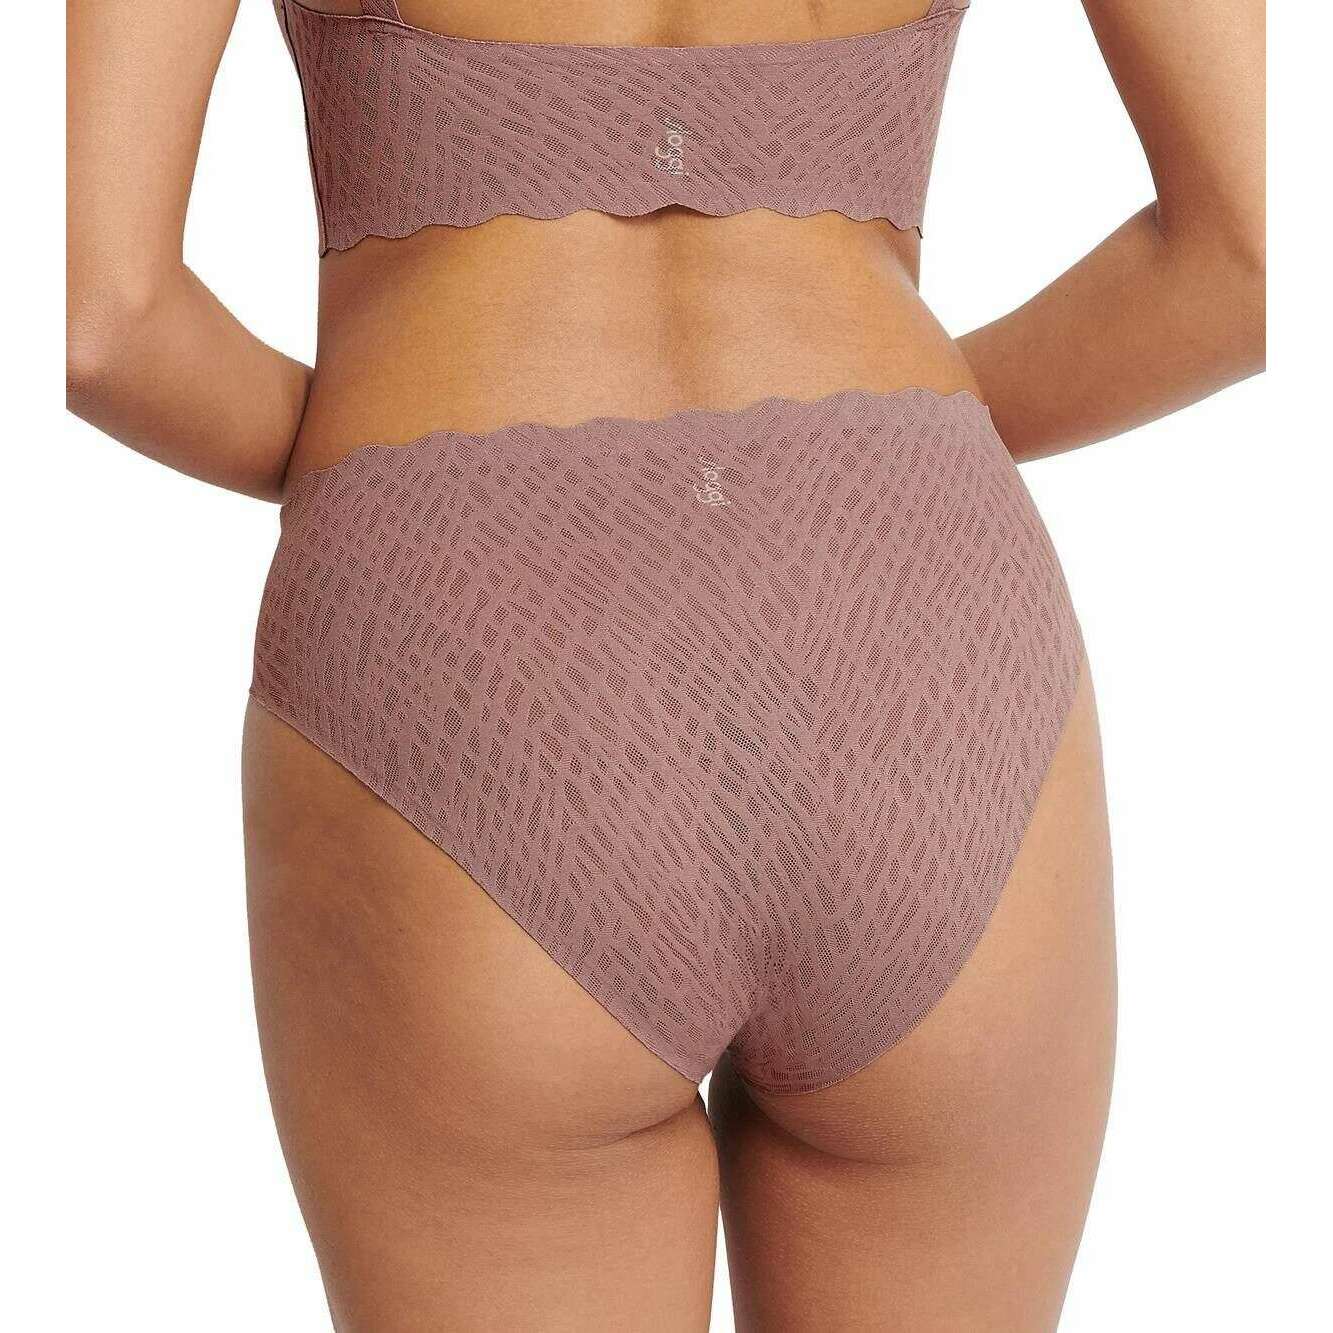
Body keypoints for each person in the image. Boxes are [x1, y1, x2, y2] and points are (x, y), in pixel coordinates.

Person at [66, 0, 1264, 1327]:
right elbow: (1250, 257)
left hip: (473, 642)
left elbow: (104, 317)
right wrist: (896, 442)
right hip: (920, 630)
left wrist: (386, 476)